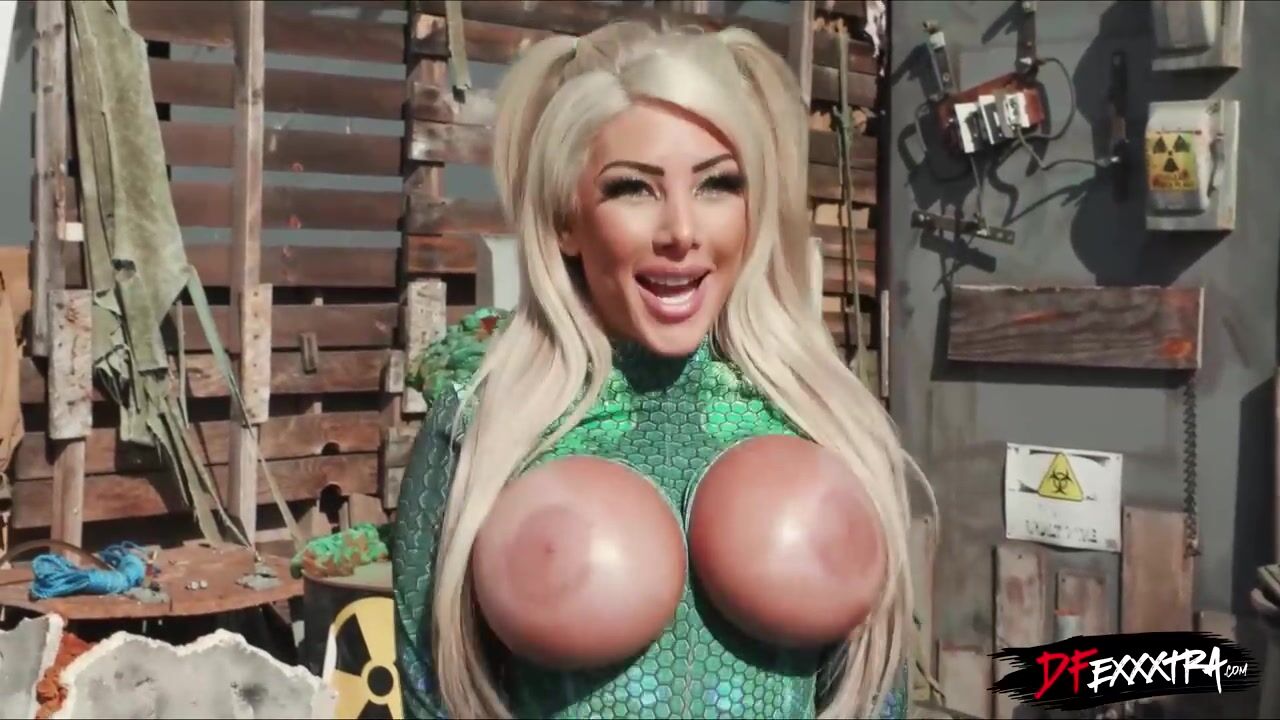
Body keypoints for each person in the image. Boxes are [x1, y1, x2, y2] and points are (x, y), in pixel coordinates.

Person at [393, 19, 935, 720]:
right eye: (634, 188)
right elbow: (429, 686)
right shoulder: (481, 428)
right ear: (565, 218)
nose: (681, 230)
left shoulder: (828, 420)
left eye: (717, 185)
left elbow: (880, 684)